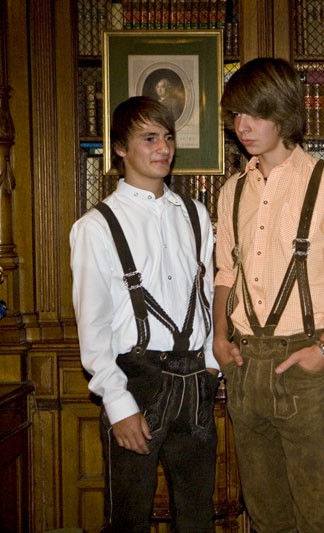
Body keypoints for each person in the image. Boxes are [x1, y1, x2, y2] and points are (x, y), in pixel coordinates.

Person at [213, 57, 324, 532]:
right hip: (245, 363)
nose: (243, 126)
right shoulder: (232, 190)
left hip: (304, 360)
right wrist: (219, 338)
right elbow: (226, 273)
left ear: (283, 112)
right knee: (265, 516)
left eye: (255, 114)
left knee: (318, 516)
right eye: (236, 115)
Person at [70, 96, 218, 532]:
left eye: (168, 137)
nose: (163, 148)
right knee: (128, 518)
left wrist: (211, 367)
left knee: (197, 518)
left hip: (196, 383)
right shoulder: (97, 226)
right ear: (120, 147)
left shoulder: (196, 215)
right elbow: (93, 325)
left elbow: (208, 297)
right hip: (136, 381)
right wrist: (117, 403)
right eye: (149, 138)